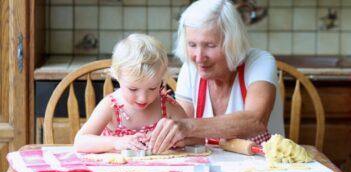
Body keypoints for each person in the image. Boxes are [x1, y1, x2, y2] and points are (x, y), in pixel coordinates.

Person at [148, 0, 285, 154]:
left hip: (264, 168)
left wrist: (188, 127)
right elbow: (182, 129)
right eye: (192, 45)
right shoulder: (190, 69)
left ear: (233, 42)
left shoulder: (259, 62)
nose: (199, 57)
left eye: (210, 45)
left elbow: (255, 121)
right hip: (210, 164)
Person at [74, 33, 201, 153]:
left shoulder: (168, 107)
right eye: (133, 89)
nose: (142, 98)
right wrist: (116, 142)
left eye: (152, 88)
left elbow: (199, 138)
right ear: (117, 77)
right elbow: (80, 141)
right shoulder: (111, 106)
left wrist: (176, 140)